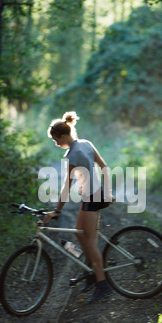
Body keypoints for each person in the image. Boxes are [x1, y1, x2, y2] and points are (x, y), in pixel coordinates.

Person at [43, 111, 115, 303]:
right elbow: (104, 166)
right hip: (94, 194)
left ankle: (102, 285)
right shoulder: (86, 143)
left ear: (63, 136)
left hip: (93, 197)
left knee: (90, 242)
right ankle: (92, 270)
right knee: (78, 233)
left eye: (55, 139)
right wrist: (107, 191)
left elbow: (67, 186)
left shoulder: (73, 155)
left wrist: (57, 211)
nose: (55, 143)